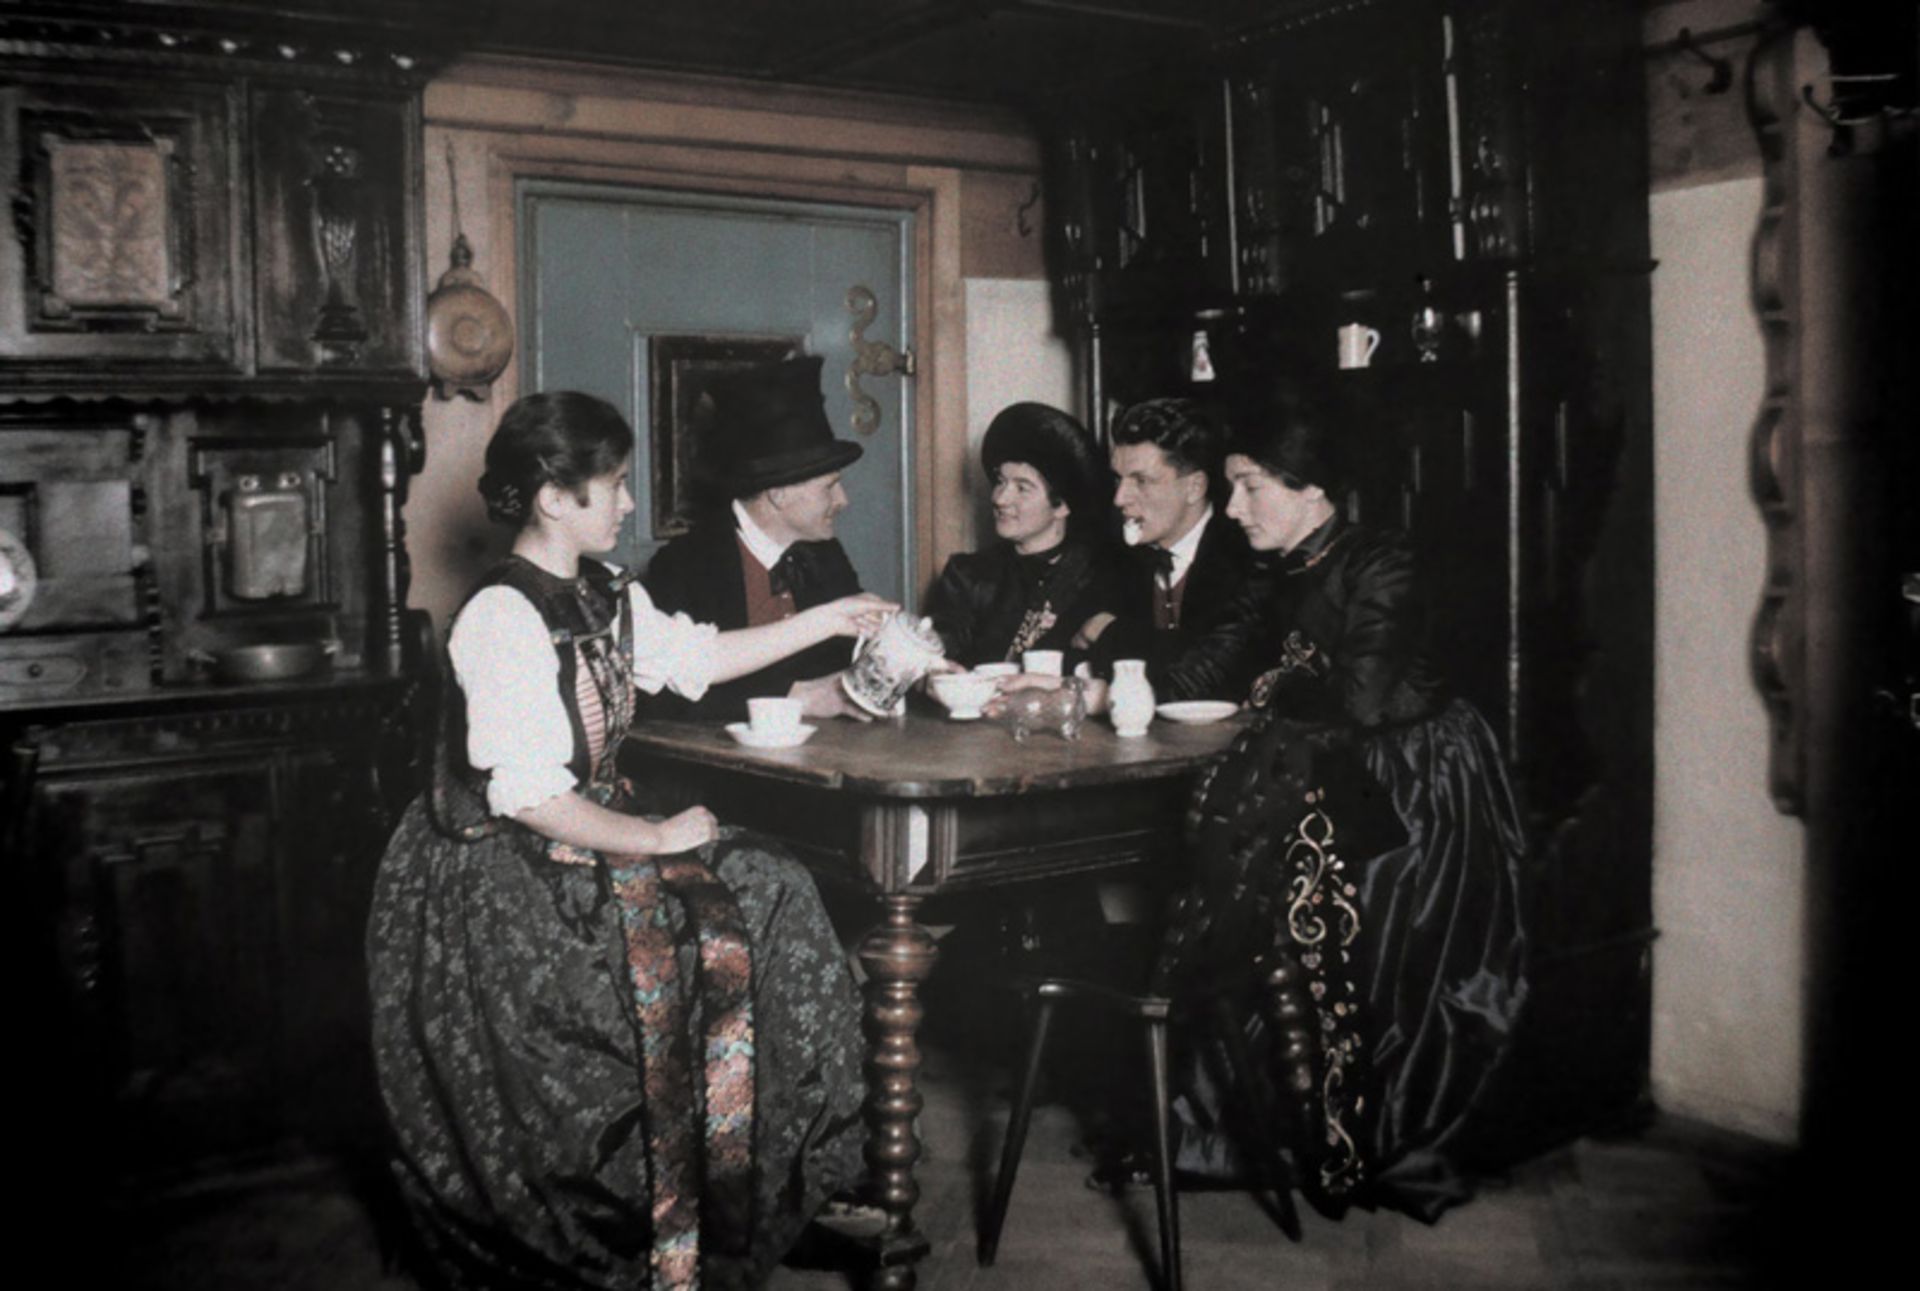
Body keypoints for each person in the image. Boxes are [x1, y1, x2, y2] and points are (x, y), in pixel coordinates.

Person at [366, 390, 895, 1289]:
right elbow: (527, 792)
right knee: (683, 951)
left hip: (594, 829)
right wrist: (649, 835)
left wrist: (828, 622)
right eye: (610, 487)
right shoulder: (502, 615)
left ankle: (778, 1183)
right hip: (502, 867)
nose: (626, 505)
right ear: (551, 498)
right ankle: (650, 1214)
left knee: (777, 890)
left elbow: (698, 659)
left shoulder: (604, 591)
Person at [1158, 381, 1530, 1222]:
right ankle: (1259, 1126)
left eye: (1252, 486)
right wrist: (1131, 690)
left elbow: (1361, 702)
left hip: (1411, 785)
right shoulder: (1272, 567)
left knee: (1331, 913)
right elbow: (1215, 665)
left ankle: (1356, 1130)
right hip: (1313, 769)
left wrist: (1263, 703)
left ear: (1313, 490)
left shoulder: (1381, 561)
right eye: (1232, 485)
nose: (1234, 505)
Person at [644, 355, 873, 722]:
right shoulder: (685, 566)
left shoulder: (824, 554)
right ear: (778, 494)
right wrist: (796, 698)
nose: (843, 500)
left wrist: (918, 670)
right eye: (829, 487)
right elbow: (661, 696)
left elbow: (848, 661)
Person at [1080, 396, 1268, 700]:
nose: (1119, 498)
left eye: (1141, 481)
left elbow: (1212, 676)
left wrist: (1109, 635)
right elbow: (1074, 653)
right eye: (1118, 479)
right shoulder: (1115, 555)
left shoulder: (1247, 558)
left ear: (1194, 487)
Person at [923, 402, 1124, 669]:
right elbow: (942, 647)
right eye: (1000, 481)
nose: (1000, 498)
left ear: (1062, 505)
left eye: (1022, 487)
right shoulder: (968, 575)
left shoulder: (1103, 577)